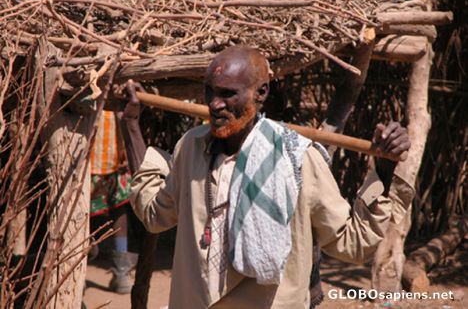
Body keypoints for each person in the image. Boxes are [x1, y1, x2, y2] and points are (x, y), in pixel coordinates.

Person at [119, 46, 413, 308]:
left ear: (260, 93)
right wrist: (131, 125)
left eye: (228, 94)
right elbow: (155, 214)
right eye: (210, 91)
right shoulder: (192, 147)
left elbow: (351, 244)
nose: (214, 104)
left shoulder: (297, 158)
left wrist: (383, 172)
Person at [89, 110, 135, 294]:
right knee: (119, 212)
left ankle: (83, 263)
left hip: (90, 159)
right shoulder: (118, 92)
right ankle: (122, 273)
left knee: (82, 213)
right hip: (116, 155)